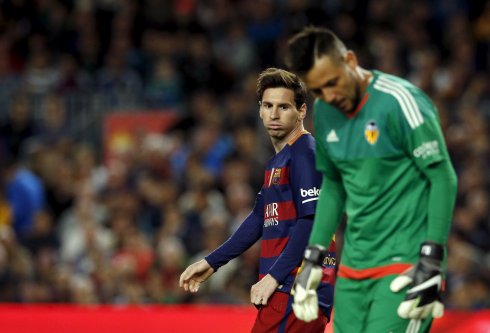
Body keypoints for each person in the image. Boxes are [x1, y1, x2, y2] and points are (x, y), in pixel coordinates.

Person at [284, 26, 458, 333]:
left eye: (332, 83)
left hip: (406, 262)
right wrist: (314, 254)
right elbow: (334, 184)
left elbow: (442, 177)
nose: (329, 96)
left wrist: (432, 258)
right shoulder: (324, 112)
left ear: (350, 60)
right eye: (318, 90)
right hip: (354, 267)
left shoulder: (400, 101)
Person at [179, 67, 335, 333]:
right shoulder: (280, 161)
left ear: (301, 112)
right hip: (291, 291)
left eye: (284, 107)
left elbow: (312, 222)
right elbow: (258, 219)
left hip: (296, 289)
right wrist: (211, 262)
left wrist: (274, 277)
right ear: (260, 110)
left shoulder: (305, 154)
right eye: (268, 105)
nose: (274, 114)